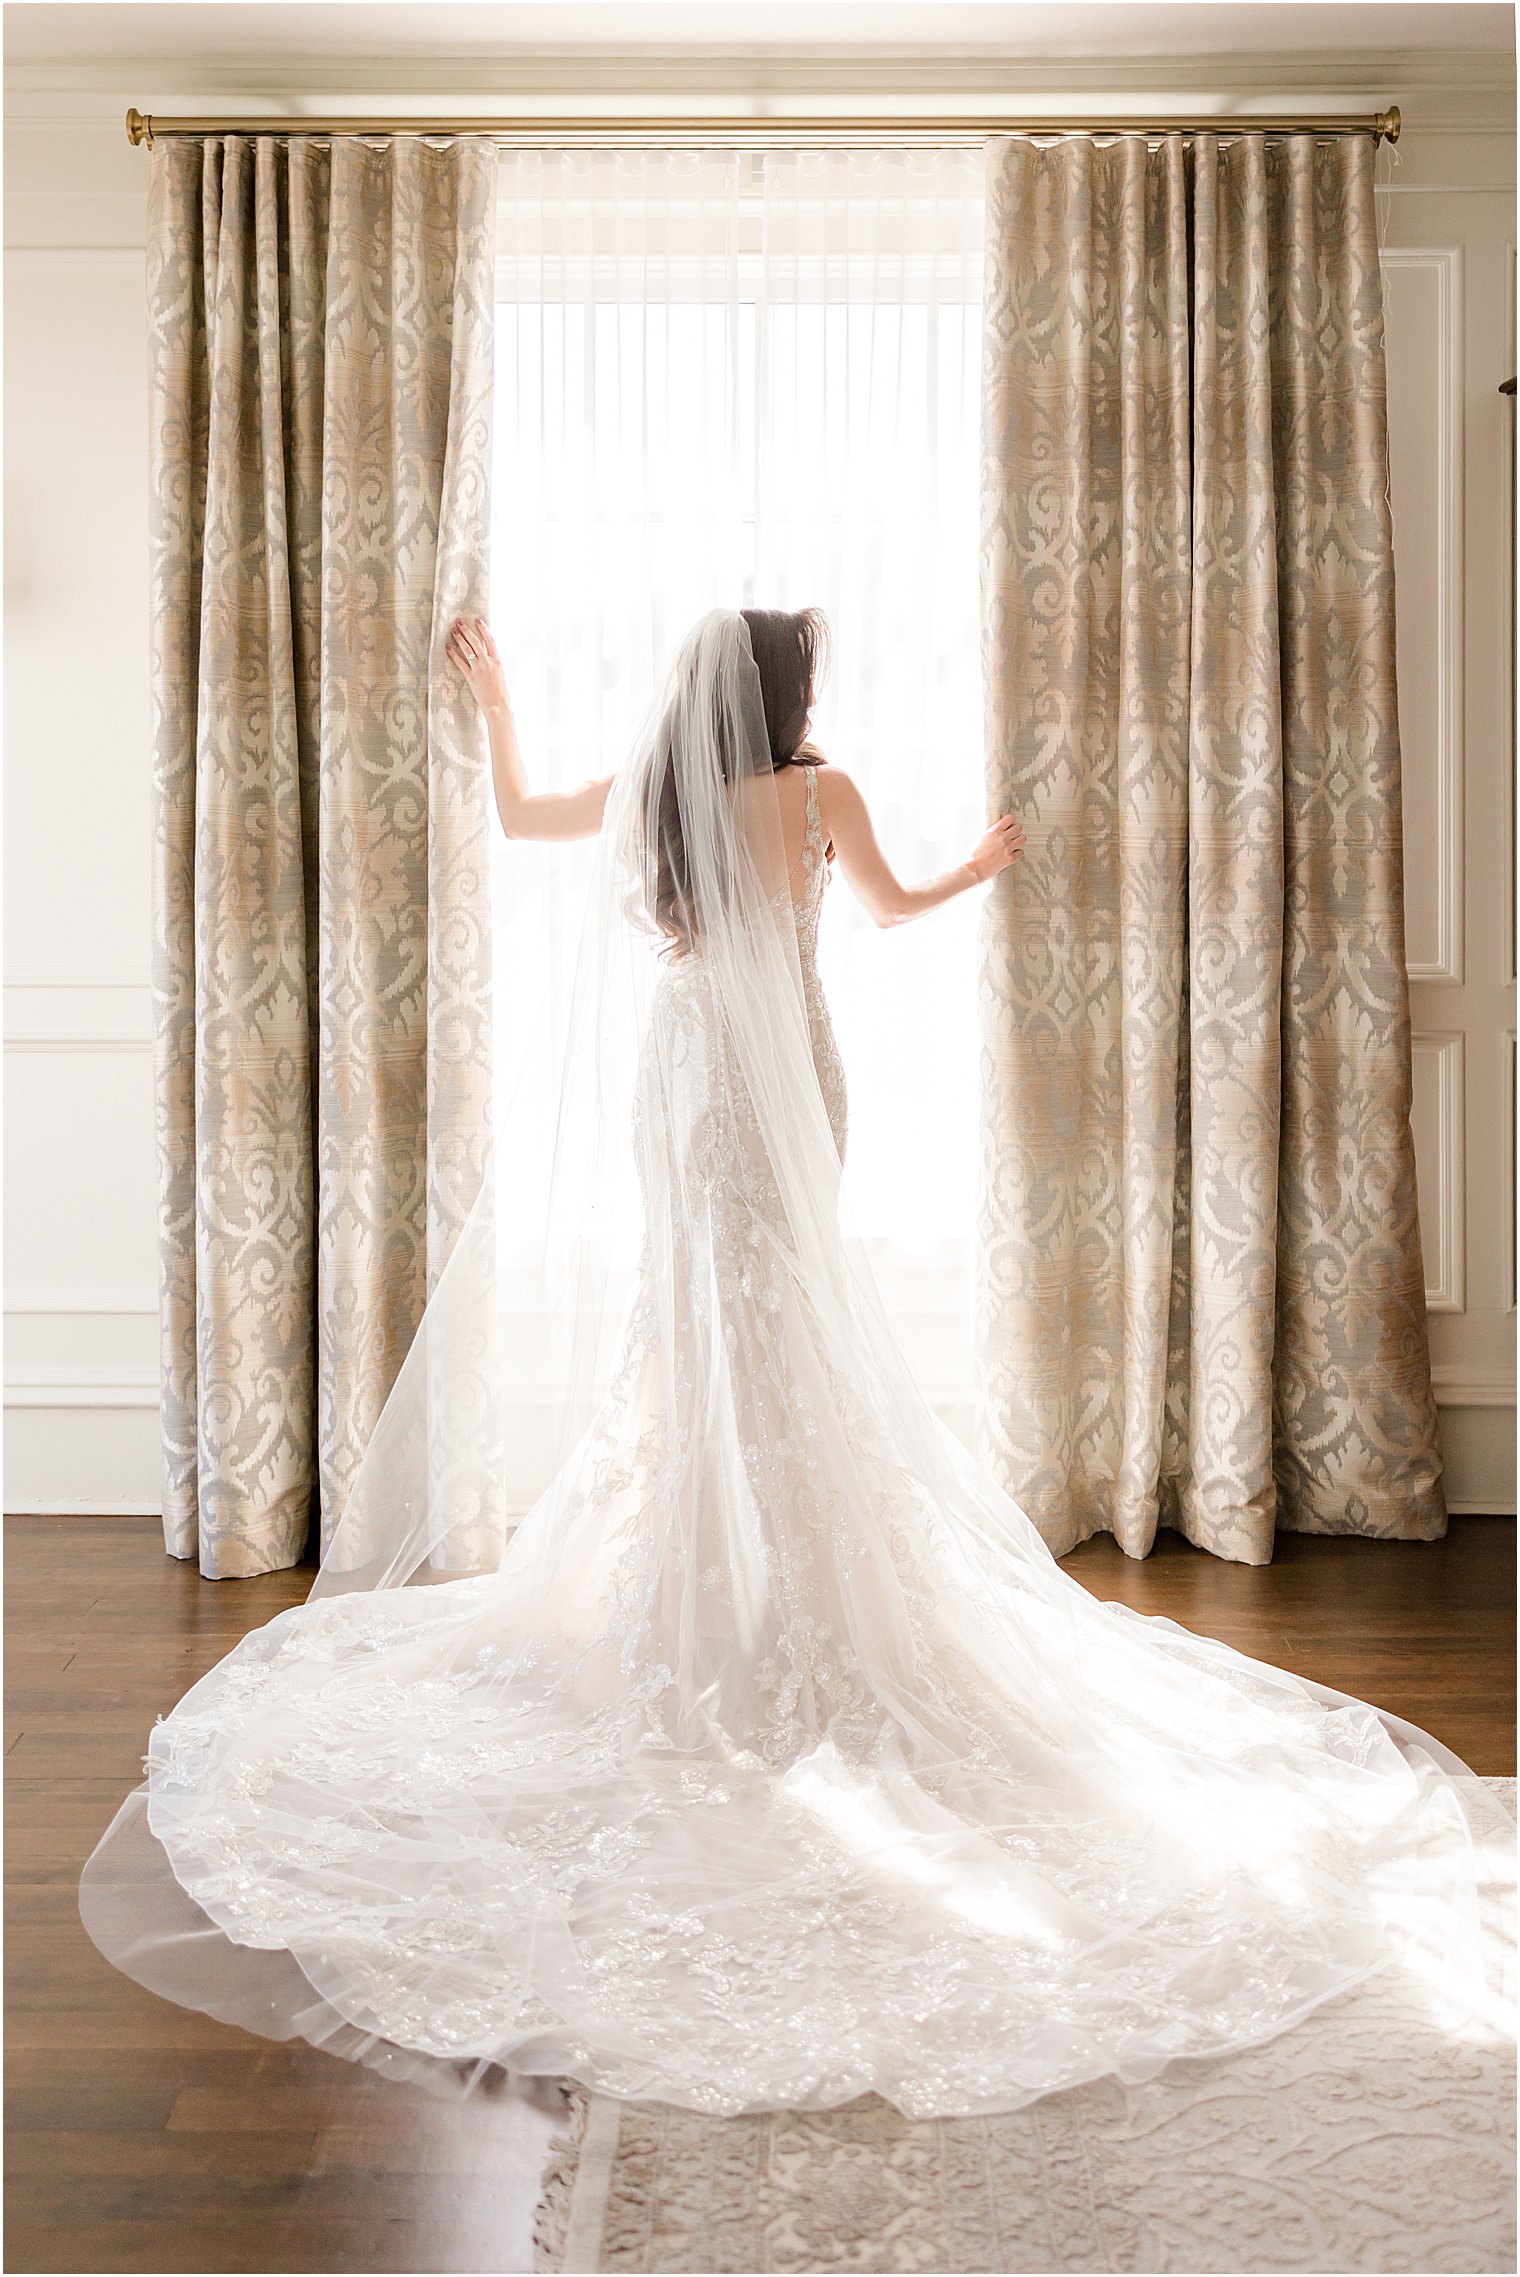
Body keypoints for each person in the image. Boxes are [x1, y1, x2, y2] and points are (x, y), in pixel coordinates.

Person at [81, 607, 1492, 2120]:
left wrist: (498, 700)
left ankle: (710, 1578)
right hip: (789, 1069)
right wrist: (977, 864)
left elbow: (519, 812)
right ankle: (783, 1577)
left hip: (687, 1061)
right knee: (780, 1307)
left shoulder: (666, 787)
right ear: (787, 693)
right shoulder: (820, 791)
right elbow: (887, 910)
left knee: (695, 1318)